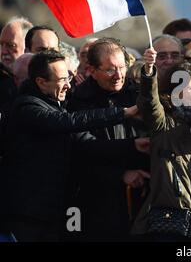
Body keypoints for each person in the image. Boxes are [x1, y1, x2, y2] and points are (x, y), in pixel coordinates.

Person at [0, 51, 149, 242]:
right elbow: (67, 121)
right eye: (62, 79)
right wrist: (122, 113)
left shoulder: (58, 106)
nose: (68, 85)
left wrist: (133, 145)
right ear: (41, 82)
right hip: (27, 217)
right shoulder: (27, 108)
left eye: (69, 77)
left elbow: (86, 143)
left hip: (56, 213)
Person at [131, 49, 191, 242]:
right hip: (171, 222)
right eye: (190, 88)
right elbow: (149, 102)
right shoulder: (163, 122)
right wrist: (149, 71)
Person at [67, 38, 148, 241]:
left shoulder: (139, 95)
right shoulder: (78, 101)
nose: (118, 75)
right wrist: (120, 173)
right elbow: (82, 149)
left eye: (122, 67)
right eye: (110, 70)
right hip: (98, 204)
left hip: (143, 197)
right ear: (91, 70)